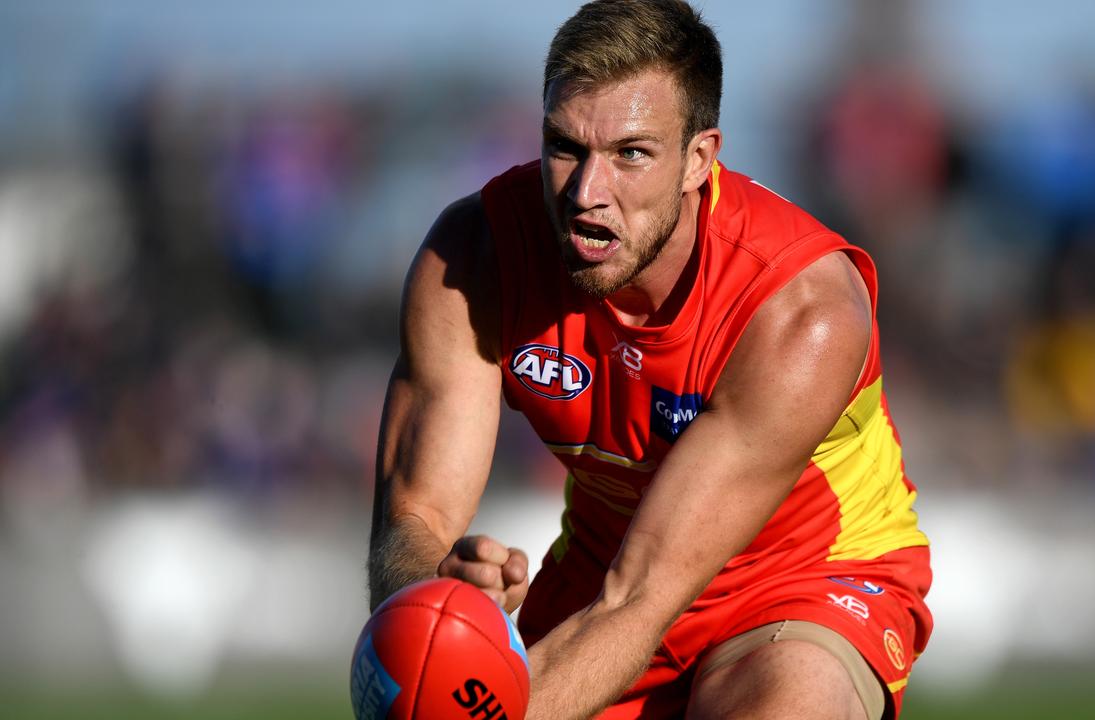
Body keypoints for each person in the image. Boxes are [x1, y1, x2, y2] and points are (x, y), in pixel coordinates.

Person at [366, 1, 931, 718]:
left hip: (800, 579)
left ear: (699, 159)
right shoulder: (475, 259)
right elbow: (415, 512)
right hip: (607, 567)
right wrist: (436, 602)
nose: (585, 194)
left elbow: (640, 601)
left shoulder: (799, 311)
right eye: (565, 147)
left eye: (631, 153)